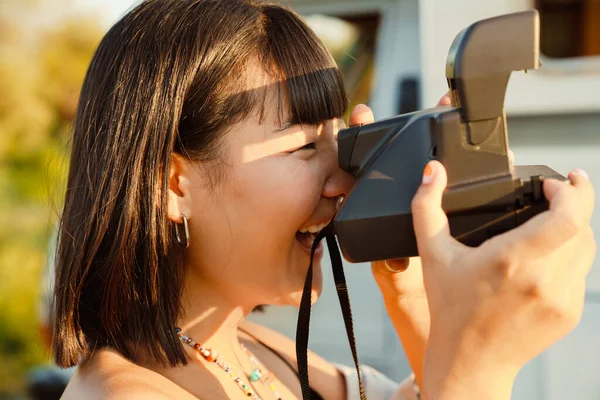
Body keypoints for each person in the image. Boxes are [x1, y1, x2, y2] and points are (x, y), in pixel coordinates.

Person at [52, 0, 596, 399]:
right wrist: (481, 365)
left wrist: (406, 286)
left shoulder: (262, 353)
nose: (342, 179)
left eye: (341, 140)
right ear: (172, 185)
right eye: (307, 145)